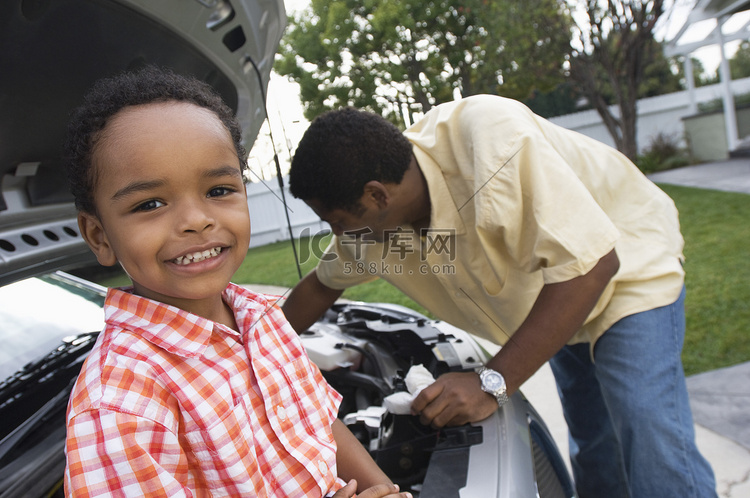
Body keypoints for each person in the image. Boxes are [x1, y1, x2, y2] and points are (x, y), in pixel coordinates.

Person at [281, 96, 718, 498]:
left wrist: (492, 382)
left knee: (647, 432)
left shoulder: (492, 147)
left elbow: (593, 266)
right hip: (553, 301)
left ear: (377, 195)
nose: (339, 236)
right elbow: (322, 285)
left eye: (339, 222)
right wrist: (257, 349)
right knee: (596, 448)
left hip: (625, 272)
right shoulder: (376, 229)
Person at [63, 66, 411, 498]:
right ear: (99, 236)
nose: (196, 221)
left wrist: (385, 489)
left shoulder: (261, 316)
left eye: (218, 190)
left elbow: (320, 425)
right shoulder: (118, 406)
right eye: (150, 203)